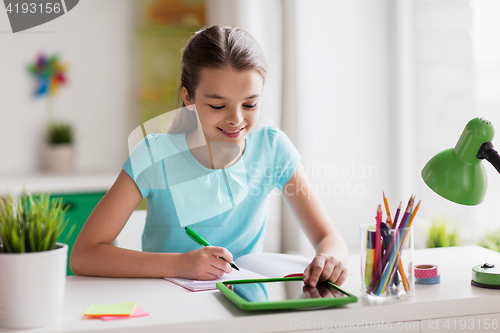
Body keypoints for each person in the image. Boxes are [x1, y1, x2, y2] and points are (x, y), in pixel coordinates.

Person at [71, 25, 349, 287]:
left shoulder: (272, 149)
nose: (237, 119)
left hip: (243, 305)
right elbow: (84, 255)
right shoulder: (155, 154)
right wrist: (180, 264)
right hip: (167, 307)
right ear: (188, 98)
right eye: (218, 105)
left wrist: (330, 259)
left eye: (250, 103)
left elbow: (329, 238)